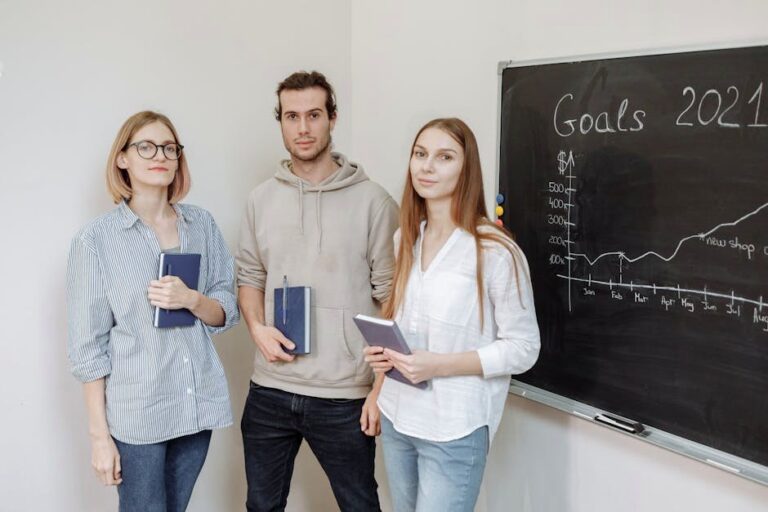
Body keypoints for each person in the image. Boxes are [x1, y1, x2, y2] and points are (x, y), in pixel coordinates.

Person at [236, 71, 398, 512]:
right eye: (291, 116)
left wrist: (380, 389)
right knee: (261, 506)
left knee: (360, 505)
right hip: (269, 387)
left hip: (345, 395)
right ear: (281, 122)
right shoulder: (260, 200)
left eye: (313, 115)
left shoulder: (375, 202)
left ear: (332, 119)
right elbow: (249, 276)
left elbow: (392, 300)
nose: (302, 128)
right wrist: (256, 329)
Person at [363, 118, 541, 512]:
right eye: (420, 154)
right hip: (398, 417)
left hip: (455, 428)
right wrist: (378, 383)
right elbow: (402, 322)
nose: (427, 167)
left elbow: (524, 348)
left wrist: (439, 366)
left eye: (444, 157)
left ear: (466, 169)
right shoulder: (405, 239)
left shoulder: (495, 251)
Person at [66, 111, 239, 512]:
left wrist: (192, 300)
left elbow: (226, 310)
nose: (159, 154)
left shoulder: (202, 225)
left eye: (169, 147)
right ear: (122, 159)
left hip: (195, 406)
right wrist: (99, 437)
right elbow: (88, 349)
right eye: (145, 146)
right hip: (138, 415)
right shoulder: (95, 241)